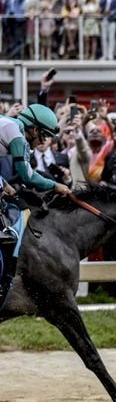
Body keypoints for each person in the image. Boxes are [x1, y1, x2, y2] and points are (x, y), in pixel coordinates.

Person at [0, 104, 72, 304]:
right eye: (43, 136)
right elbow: (28, 176)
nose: (42, 141)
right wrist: (56, 185)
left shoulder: (9, 125)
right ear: (34, 129)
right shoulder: (17, 135)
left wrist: (3, 183)